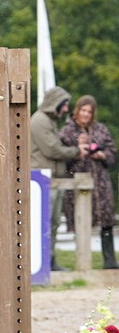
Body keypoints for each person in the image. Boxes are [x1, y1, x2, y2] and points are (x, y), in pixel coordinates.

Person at [30, 86, 87, 271]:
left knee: (53, 223)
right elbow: (51, 149)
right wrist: (77, 152)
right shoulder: (40, 120)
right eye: (64, 105)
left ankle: (49, 260)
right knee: (44, 222)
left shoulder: (49, 121)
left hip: (53, 180)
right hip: (44, 180)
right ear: (56, 103)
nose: (66, 109)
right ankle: (40, 262)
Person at [58, 95, 117, 270]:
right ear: (77, 110)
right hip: (76, 182)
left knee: (106, 223)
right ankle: (82, 262)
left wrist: (102, 155)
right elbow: (61, 157)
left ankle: (110, 261)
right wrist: (78, 149)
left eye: (89, 112)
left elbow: (112, 152)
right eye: (83, 110)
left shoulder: (101, 130)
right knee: (80, 223)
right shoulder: (67, 131)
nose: (86, 114)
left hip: (101, 184)